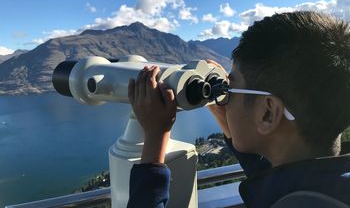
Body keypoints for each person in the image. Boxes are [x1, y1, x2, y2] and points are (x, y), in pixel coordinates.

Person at [126, 11, 350, 208]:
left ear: (268, 113)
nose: (224, 96)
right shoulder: (329, 188)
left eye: (229, 89)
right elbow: (282, 179)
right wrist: (222, 112)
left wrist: (156, 136)